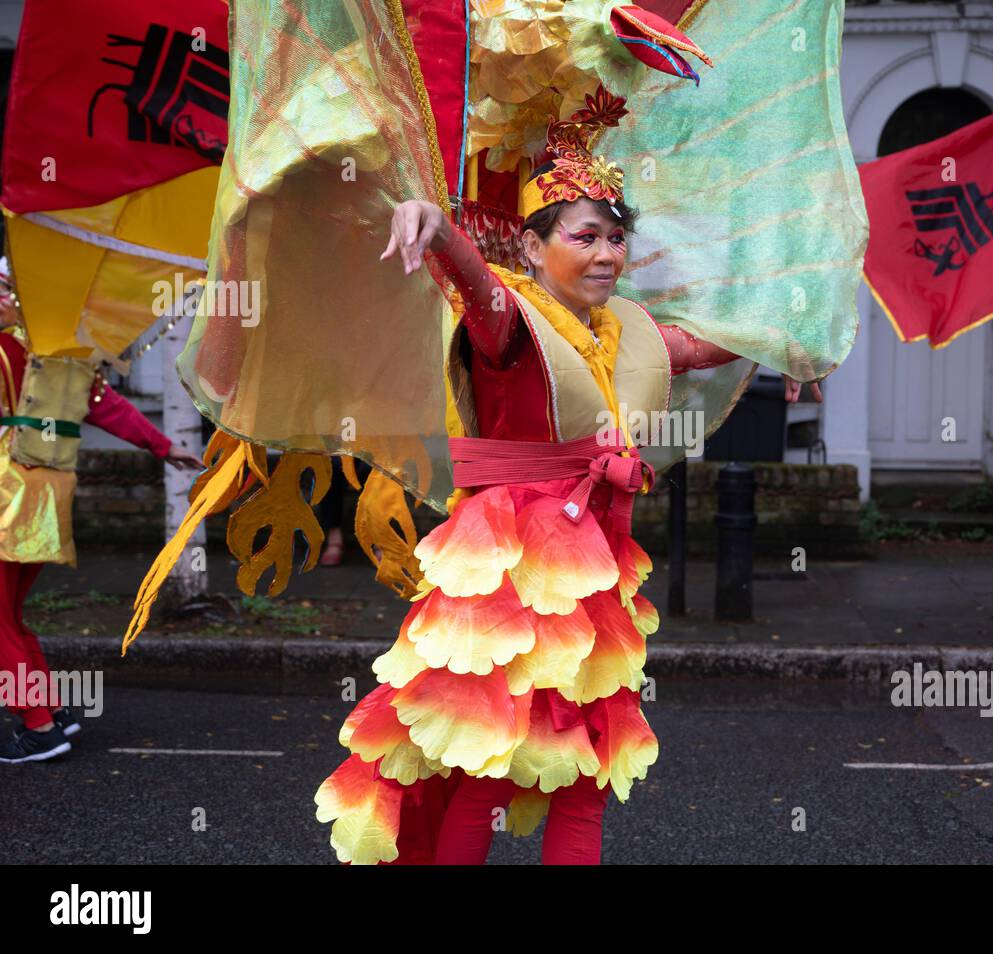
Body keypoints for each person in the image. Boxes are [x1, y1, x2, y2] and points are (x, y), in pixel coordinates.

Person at [314, 94, 822, 865]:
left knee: (582, 787)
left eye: (617, 239)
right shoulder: (508, 324)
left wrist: (799, 339)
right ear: (531, 247)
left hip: (593, 581)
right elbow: (473, 284)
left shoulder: (633, 332)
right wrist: (438, 224)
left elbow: (709, 344)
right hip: (507, 581)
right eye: (586, 237)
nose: (607, 255)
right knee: (482, 778)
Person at [0, 289, 202, 764]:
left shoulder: (12, 347)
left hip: (8, 489)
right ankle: (49, 710)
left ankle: (40, 728)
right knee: (9, 616)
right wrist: (161, 445)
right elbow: (102, 401)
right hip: (48, 490)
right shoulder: (60, 346)